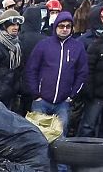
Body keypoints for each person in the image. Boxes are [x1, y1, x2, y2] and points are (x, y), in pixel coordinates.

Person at [24, 10, 88, 138]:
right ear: (55, 26)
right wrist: (35, 93)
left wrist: (72, 94)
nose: (64, 29)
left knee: (60, 135)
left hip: (63, 102)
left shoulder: (78, 47)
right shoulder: (43, 45)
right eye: (61, 26)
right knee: (36, 135)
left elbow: (82, 72)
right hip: (41, 100)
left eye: (68, 26)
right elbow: (31, 69)